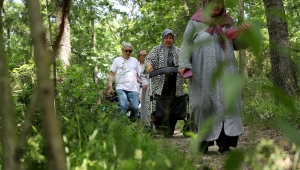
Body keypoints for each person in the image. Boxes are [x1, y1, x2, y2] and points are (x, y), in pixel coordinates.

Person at [178, 0, 252, 153]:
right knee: (203, 104)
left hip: (227, 72)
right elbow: (186, 44)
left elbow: (238, 45)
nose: (217, 5)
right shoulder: (195, 21)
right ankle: (203, 143)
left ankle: (225, 144)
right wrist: (184, 63)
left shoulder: (228, 22)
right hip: (202, 72)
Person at [145, 29, 185, 137]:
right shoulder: (157, 49)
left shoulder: (178, 51)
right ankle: (158, 128)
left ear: (173, 39)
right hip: (159, 84)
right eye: (166, 38)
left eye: (170, 38)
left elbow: (184, 62)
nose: (168, 40)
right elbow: (149, 59)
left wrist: (184, 67)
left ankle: (170, 129)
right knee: (159, 105)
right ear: (163, 39)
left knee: (173, 105)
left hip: (174, 83)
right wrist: (148, 65)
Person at [107, 42, 141, 120]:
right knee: (123, 106)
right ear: (122, 51)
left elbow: (138, 76)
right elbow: (111, 74)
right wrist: (110, 86)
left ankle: (132, 123)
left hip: (133, 88)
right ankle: (120, 126)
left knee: (135, 108)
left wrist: (143, 83)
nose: (128, 52)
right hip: (120, 87)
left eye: (130, 51)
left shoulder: (135, 60)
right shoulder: (117, 60)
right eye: (126, 51)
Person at [137, 49, 150, 126]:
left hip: (148, 87)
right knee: (142, 106)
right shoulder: (136, 65)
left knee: (148, 105)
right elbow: (136, 76)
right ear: (139, 57)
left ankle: (149, 124)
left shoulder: (149, 63)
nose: (146, 56)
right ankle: (144, 124)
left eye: (146, 54)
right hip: (138, 88)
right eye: (144, 55)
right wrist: (142, 82)